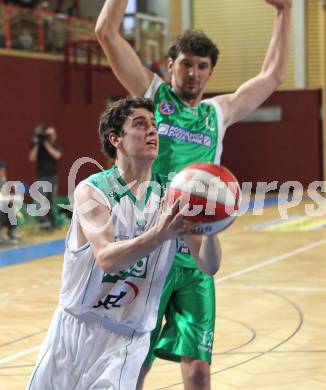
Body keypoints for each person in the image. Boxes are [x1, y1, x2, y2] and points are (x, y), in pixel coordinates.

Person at [95, 0, 292, 389]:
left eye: (202, 66)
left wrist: (284, 12)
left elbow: (272, 75)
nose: (193, 72)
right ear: (170, 66)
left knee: (199, 370)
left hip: (194, 256)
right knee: (136, 364)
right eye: (186, 63)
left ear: (210, 72)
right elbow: (106, 33)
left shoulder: (219, 112)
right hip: (149, 252)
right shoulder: (154, 97)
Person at [26, 97, 221, 390]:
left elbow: (209, 264)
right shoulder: (92, 191)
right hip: (73, 329)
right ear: (115, 138)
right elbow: (107, 257)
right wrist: (158, 234)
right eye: (140, 125)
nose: (152, 132)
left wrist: (213, 223)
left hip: (125, 341)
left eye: (155, 125)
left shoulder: (174, 196)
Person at [28, 124, 62, 229]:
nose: (52, 136)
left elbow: (57, 155)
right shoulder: (39, 148)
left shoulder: (56, 147)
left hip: (53, 177)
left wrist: (46, 143)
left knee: (52, 202)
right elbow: (31, 158)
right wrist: (38, 143)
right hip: (42, 177)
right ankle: (43, 223)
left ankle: (52, 223)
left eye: (52, 134)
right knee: (41, 201)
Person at [0, 160, 21, 243]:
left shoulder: (3, 180)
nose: (4, 171)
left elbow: (5, 195)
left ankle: (11, 232)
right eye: (2, 170)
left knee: (11, 207)